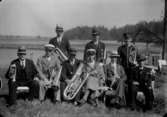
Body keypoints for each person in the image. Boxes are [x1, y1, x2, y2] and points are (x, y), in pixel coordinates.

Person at [117, 33, 138, 106]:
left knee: (131, 84)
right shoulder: (120, 48)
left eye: (128, 39)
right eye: (126, 39)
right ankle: (121, 101)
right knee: (121, 82)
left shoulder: (134, 48)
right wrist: (118, 70)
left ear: (131, 40)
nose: (127, 41)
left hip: (131, 70)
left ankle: (131, 102)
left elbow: (137, 58)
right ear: (124, 39)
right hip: (123, 70)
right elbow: (118, 60)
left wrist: (136, 63)